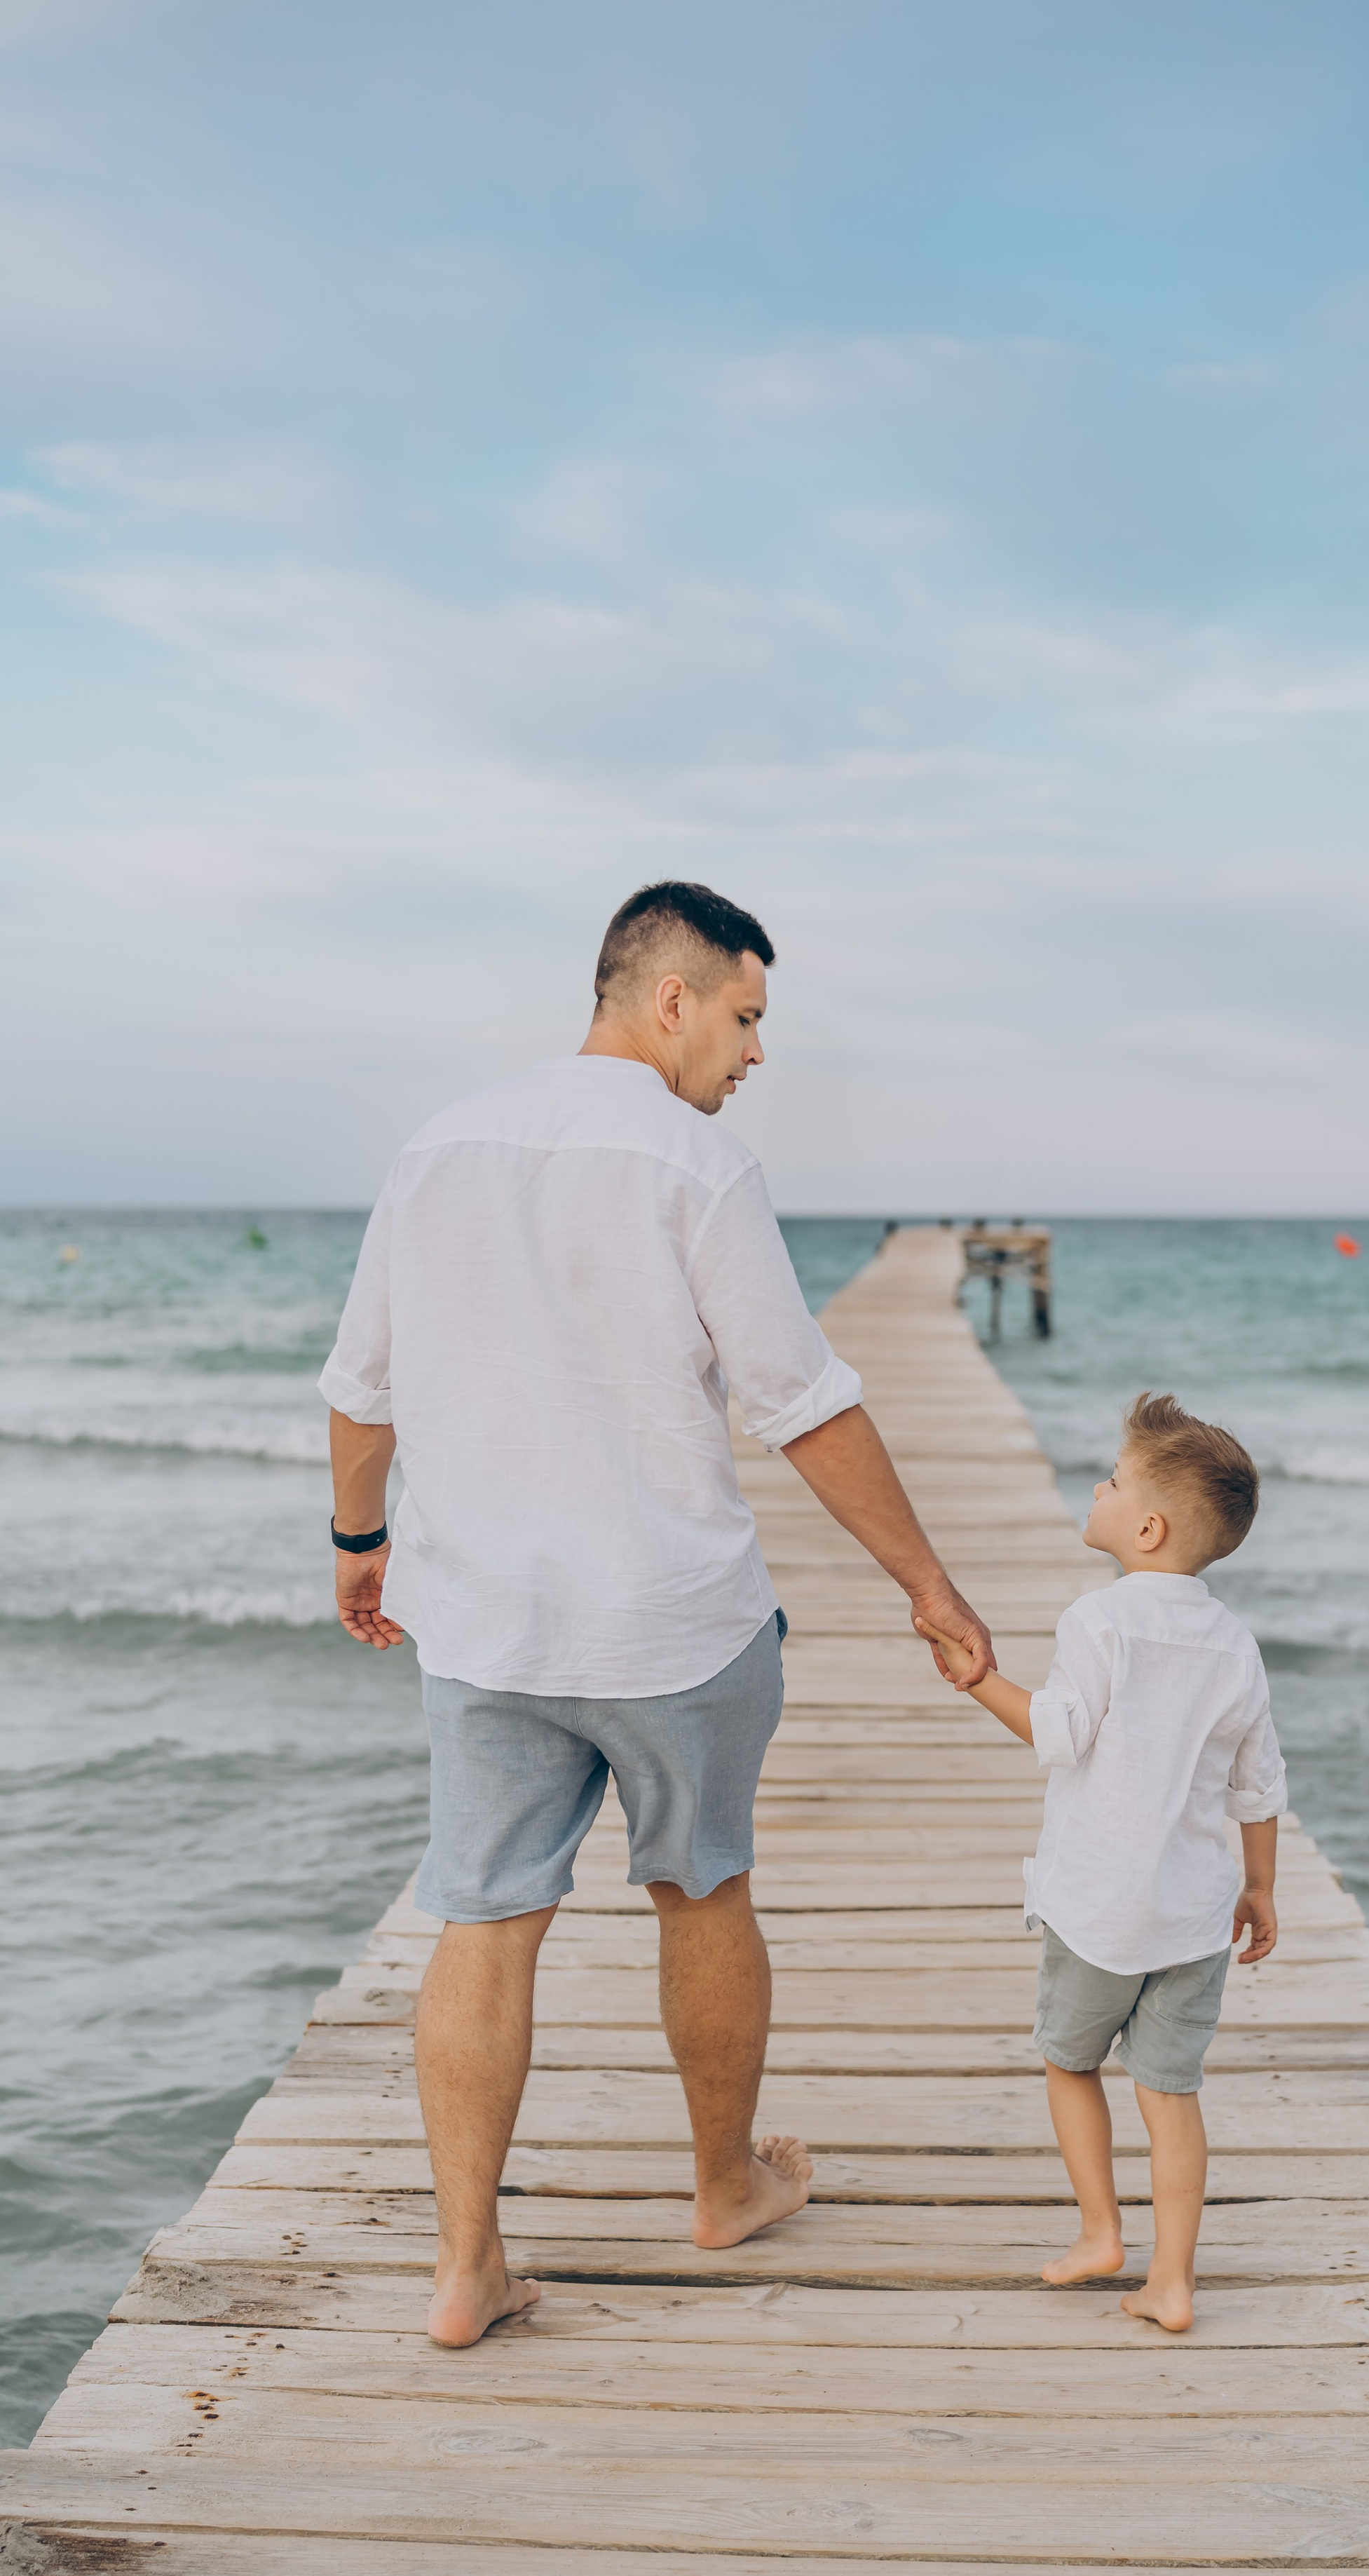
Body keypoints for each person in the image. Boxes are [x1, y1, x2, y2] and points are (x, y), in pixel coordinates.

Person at [321, 881, 993, 2347]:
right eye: (746, 1017)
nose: (753, 1054)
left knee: (483, 1920)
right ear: (668, 997)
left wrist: (357, 1540)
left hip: (485, 1618)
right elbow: (800, 1402)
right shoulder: (695, 1164)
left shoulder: (438, 1145)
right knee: (703, 1889)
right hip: (670, 1622)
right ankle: (720, 2185)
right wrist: (928, 1587)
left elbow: (359, 1390)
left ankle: (463, 2271)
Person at [921, 1392, 1283, 2332]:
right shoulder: (1237, 1646)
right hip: (1195, 1918)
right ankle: (1173, 2282)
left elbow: (1056, 1735)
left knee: (1070, 2063)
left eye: (1115, 1481)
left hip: (1099, 1911)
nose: (1099, 1486)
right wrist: (1262, 1887)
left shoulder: (1099, 1622)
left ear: (1149, 1527)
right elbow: (1259, 1785)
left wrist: (976, 1681)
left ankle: (1099, 2233)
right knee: (1172, 2094)